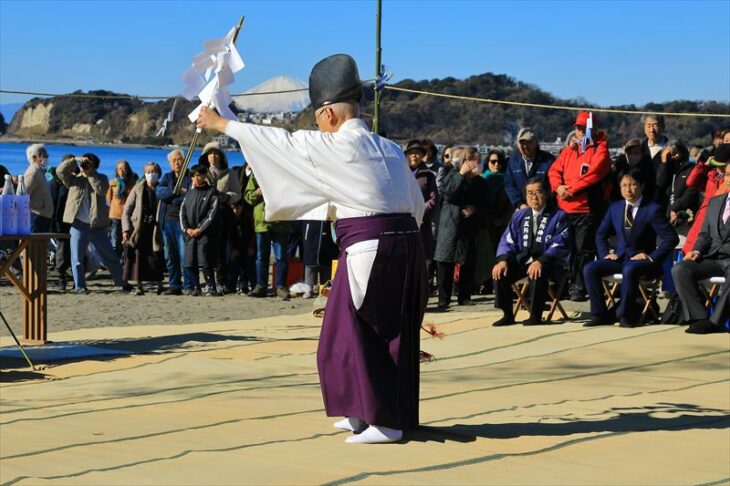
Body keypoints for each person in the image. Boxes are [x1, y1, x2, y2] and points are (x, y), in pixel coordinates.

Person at [196, 53, 426, 444]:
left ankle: (384, 420)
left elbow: (279, 143)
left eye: (318, 117)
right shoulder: (388, 148)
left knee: (370, 332)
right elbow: (415, 204)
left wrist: (221, 123)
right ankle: (360, 410)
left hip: (370, 248)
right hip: (405, 244)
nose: (316, 126)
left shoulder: (336, 146)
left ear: (330, 114)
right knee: (349, 332)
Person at [584, 169, 678, 327]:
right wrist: (605, 254)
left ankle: (626, 315)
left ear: (642, 186)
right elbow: (600, 234)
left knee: (630, 269)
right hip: (620, 258)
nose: (628, 189)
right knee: (590, 268)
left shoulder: (652, 209)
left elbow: (671, 238)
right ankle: (599, 314)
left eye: (633, 185)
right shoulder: (615, 207)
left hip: (644, 262)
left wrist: (651, 256)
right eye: (624, 186)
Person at [548, 111, 611, 301]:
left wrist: (570, 190)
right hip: (565, 209)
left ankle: (579, 287)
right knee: (564, 249)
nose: (581, 131)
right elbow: (554, 170)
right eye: (578, 127)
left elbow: (594, 175)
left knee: (584, 251)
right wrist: (558, 187)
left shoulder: (601, 149)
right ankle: (563, 284)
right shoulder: (569, 150)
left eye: (585, 128)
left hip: (587, 209)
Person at [492, 177, 571, 325]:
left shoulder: (559, 216)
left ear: (546, 194)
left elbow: (560, 243)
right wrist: (503, 260)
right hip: (524, 260)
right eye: (529, 193)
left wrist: (541, 261)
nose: (534, 197)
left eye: (538, 192)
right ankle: (507, 314)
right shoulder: (519, 216)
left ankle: (535, 315)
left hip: (550, 263)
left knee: (537, 271)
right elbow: (508, 240)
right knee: (500, 272)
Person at [671, 161, 730, 335]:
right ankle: (699, 317)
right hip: (712, 257)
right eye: (727, 174)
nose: (729, 178)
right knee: (680, 269)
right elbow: (705, 234)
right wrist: (696, 251)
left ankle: (716, 321)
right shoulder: (715, 202)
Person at [56, 153, 128, 294]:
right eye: (85, 164)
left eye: (88, 164)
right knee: (76, 258)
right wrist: (74, 160)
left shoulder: (101, 178)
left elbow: (101, 190)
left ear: (94, 166)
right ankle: (80, 286)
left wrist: (90, 174)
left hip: (97, 225)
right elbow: (59, 172)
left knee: (110, 256)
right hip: (78, 224)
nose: (85, 166)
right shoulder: (74, 180)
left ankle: (122, 282)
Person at [433, 146, 488, 308]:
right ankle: (444, 298)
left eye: (475, 161)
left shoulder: (480, 182)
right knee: (444, 260)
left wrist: (475, 208)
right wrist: (460, 174)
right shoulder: (452, 175)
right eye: (469, 160)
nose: (473, 164)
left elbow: (487, 204)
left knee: (467, 261)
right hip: (449, 224)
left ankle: (464, 295)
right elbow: (446, 191)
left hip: (469, 225)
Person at [199, 142, 242, 294]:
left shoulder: (229, 173)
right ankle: (209, 282)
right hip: (205, 215)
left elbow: (237, 194)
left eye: (216, 153)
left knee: (223, 249)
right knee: (207, 249)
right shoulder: (201, 173)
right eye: (210, 153)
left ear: (221, 156)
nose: (213, 156)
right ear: (206, 156)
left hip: (224, 214)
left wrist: (225, 197)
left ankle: (222, 281)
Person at [243, 171, 291, 299]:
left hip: (280, 221)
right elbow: (247, 196)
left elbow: (292, 193)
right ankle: (261, 286)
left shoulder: (283, 170)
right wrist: (257, 193)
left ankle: (281, 286)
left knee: (281, 256)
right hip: (262, 222)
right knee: (261, 256)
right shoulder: (256, 171)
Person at [122, 162, 165, 295]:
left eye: (154, 172)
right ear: (144, 173)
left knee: (156, 257)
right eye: (148, 171)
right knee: (138, 258)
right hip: (139, 227)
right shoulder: (138, 188)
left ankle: (160, 285)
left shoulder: (162, 189)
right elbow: (127, 211)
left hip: (156, 228)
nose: (151, 174)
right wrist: (126, 230)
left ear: (158, 174)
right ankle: (139, 286)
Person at [156, 149, 195, 295]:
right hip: (167, 222)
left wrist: (174, 196)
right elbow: (159, 193)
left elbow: (189, 197)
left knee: (184, 254)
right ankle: (174, 285)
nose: (177, 163)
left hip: (183, 222)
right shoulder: (167, 177)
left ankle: (189, 285)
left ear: (184, 161)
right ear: (170, 163)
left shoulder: (190, 177)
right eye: (174, 161)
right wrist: (175, 191)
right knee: (170, 256)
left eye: (179, 160)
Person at [682, 144, 730, 255]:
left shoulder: (726, 183)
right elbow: (691, 182)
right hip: (701, 221)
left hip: (716, 227)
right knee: (689, 254)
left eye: (722, 167)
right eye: (716, 166)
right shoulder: (712, 175)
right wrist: (702, 164)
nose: (719, 170)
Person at [180, 164, 219, 296]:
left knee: (205, 262)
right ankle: (196, 287)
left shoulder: (211, 192)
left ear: (204, 175)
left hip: (204, 234)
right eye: (193, 176)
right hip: (190, 234)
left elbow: (211, 214)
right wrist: (186, 229)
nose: (195, 178)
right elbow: (182, 212)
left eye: (198, 175)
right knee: (190, 262)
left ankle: (211, 286)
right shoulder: (189, 193)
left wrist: (199, 229)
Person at [405, 140, 438, 271]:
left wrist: (419, 212)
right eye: (411, 153)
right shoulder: (400, 173)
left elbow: (433, 199)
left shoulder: (428, 175)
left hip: (423, 222)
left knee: (424, 257)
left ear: (422, 155)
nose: (414, 156)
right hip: (405, 221)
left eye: (417, 153)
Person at [504, 128, 556, 209]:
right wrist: (519, 204)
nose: (525, 146)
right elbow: (509, 185)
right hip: (521, 207)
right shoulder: (513, 161)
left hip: (544, 207)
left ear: (536, 143)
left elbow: (553, 185)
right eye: (522, 143)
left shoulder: (549, 161)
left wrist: (540, 201)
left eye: (529, 142)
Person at [641, 114, 673, 207]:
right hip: (642, 201)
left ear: (663, 127)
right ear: (644, 129)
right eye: (648, 126)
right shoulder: (638, 149)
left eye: (655, 125)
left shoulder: (672, 150)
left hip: (664, 201)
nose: (652, 130)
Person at [107, 160, 136, 259]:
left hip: (128, 216)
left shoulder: (133, 183)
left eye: (124, 168)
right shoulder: (112, 183)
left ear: (128, 169)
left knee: (127, 240)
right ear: (117, 170)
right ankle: (115, 262)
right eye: (120, 168)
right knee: (115, 240)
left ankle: (125, 262)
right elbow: (108, 199)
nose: (122, 171)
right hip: (115, 215)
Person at [24, 144, 54, 232]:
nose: (46, 157)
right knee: (33, 244)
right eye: (43, 155)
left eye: (46, 155)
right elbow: (23, 195)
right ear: (34, 158)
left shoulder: (40, 171)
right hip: (36, 216)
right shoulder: (33, 173)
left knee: (41, 244)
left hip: (43, 216)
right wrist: (39, 206)